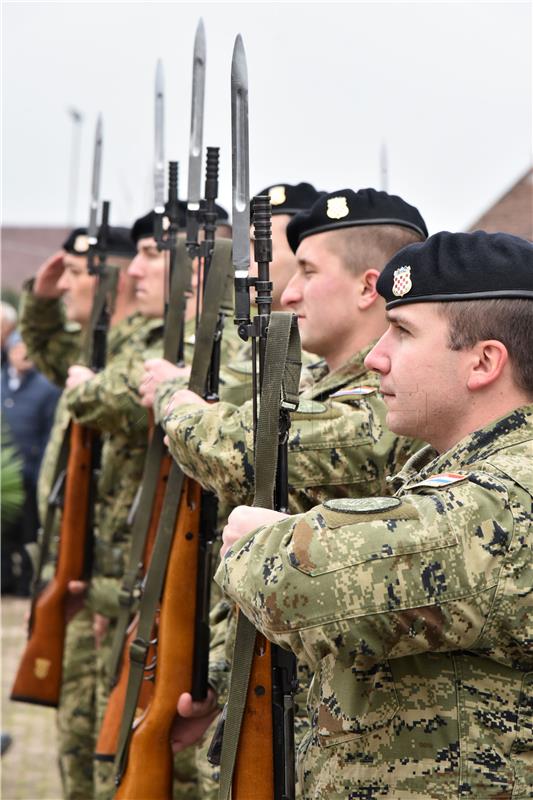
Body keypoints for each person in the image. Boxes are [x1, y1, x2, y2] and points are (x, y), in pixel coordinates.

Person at [217, 230, 533, 800]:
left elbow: (300, 581)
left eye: (403, 332)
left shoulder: (511, 495)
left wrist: (260, 540)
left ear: (485, 361)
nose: (376, 356)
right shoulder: (451, 470)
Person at [160, 188, 430, 796]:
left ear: (368, 288)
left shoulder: (385, 407)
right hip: (293, 709)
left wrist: (171, 402)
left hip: (341, 730)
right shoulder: (316, 386)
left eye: (308, 271)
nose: (286, 292)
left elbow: (235, 445)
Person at [19, 224, 160, 800]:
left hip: (111, 587)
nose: (69, 283)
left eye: (78, 274)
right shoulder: (102, 347)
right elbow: (54, 354)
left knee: (101, 760)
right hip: (84, 578)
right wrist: (43, 302)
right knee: (79, 754)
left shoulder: (143, 347)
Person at [1, 333, 60, 595]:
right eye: (17, 348)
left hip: (31, 473)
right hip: (3, 477)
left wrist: (41, 471)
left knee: (28, 532)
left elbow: (51, 433)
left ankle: (26, 583)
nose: (22, 354)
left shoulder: (47, 387)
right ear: (10, 351)